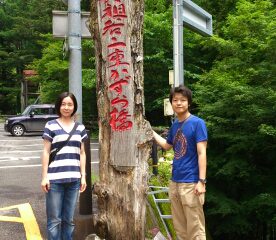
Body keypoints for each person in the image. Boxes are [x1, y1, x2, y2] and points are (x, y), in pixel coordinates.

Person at [153, 85, 208, 240]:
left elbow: (202, 152)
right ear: (171, 103)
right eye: (175, 100)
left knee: (195, 229)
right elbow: (167, 146)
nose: (178, 103)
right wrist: (150, 131)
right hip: (175, 182)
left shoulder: (198, 123)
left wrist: (202, 181)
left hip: (191, 183)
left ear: (188, 103)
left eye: (183, 100)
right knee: (180, 229)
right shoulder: (175, 125)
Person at [41, 92, 88, 240]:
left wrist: (83, 177)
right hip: (54, 180)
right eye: (63, 104)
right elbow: (46, 151)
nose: (66, 107)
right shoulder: (51, 125)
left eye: (70, 104)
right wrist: (44, 177)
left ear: (74, 107)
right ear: (59, 106)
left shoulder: (80, 128)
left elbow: (82, 153)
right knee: (55, 221)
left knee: (69, 220)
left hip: (74, 180)